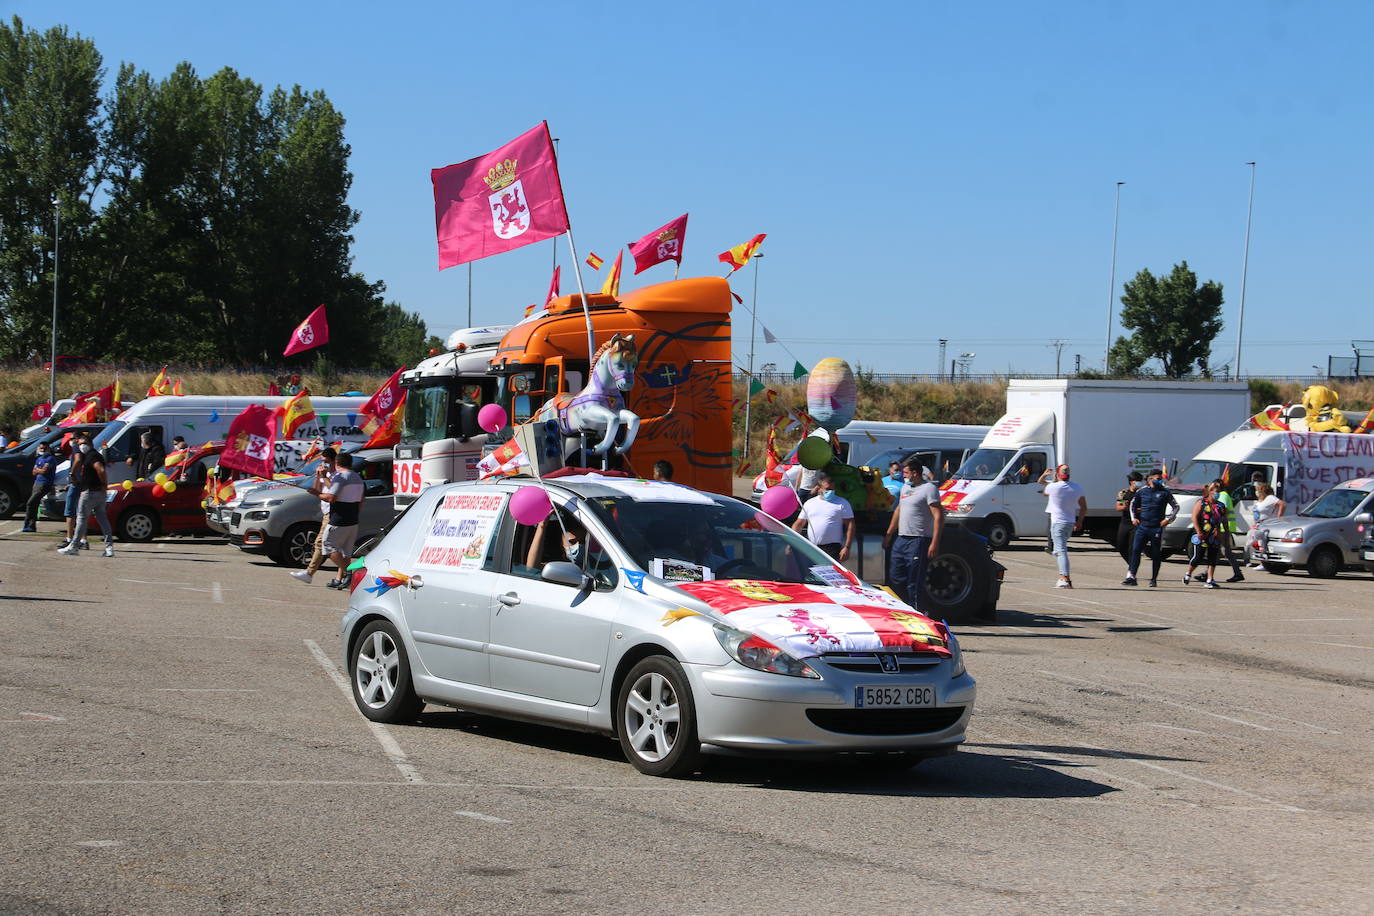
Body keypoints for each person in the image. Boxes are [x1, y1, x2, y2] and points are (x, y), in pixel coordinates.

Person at [883, 456, 943, 611]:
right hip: (901, 539)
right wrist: (889, 534)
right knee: (895, 577)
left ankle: (917, 611)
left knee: (914, 581)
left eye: (906, 473)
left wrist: (934, 542)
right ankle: (902, 609)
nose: (903, 475)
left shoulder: (929, 489)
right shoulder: (905, 488)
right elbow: (899, 510)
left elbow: (938, 516)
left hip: (918, 540)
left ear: (915, 473)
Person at [309, 451, 363, 589]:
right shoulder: (357, 477)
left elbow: (331, 497)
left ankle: (350, 573)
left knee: (328, 547)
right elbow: (362, 499)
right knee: (345, 552)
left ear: (337, 463)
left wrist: (317, 494)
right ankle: (348, 574)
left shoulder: (341, 476)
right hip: (353, 518)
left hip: (339, 518)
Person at [59, 437, 115, 557]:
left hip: (90, 492)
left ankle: (74, 546)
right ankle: (109, 547)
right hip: (99, 493)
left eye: (83, 443)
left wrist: (104, 484)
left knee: (81, 519)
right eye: (79, 444)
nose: (81, 446)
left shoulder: (92, 456)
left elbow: (100, 469)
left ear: (90, 444)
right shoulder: (92, 456)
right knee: (102, 519)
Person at [1123, 469, 1178, 587]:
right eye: (1158, 479)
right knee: (1136, 550)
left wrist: (1168, 519)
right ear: (1150, 479)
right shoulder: (1142, 491)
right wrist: (1134, 518)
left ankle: (1153, 579)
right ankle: (1132, 576)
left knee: (1156, 553)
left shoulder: (1165, 492)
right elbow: (1133, 504)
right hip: (1143, 526)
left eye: (1161, 479)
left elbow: (1176, 507)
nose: (1160, 481)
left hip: (1156, 527)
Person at [290, 448, 337, 584]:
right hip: (326, 512)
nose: (324, 464)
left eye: (326, 461)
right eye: (322, 462)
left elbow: (334, 490)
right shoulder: (326, 474)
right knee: (335, 547)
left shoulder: (337, 475)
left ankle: (309, 573)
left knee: (320, 543)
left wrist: (324, 476)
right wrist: (318, 476)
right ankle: (344, 574)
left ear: (333, 461)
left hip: (333, 512)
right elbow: (317, 490)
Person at [1038, 464, 1086, 588]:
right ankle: (1063, 574)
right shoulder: (1077, 487)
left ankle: (1065, 578)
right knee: (1058, 549)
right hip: (1069, 523)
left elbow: (1042, 487)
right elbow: (1083, 507)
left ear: (1057, 474)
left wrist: (1046, 475)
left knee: (1061, 551)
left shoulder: (1052, 487)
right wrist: (1079, 521)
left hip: (1057, 523)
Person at [792, 473, 855, 561]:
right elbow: (799, 524)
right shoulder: (810, 503)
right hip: (811, 547)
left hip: (832, 548)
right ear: (819, 488)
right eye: (827, 489)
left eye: (833, 489)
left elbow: (850, 525)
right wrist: (792, 542)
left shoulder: (842, 503)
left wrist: (847, 547)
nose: (831, 492)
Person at [1183, 482, 1226, 588]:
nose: (1218, 494)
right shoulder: (1201, 503)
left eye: (1219, 492)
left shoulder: (1220, 506)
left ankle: (1210, 579)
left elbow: (1223, 520)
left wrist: (1222, 532)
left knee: (1213, 557)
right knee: (1198, 557)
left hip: (1214, 535)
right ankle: (1188, 573)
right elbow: (1194, 517)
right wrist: (1199, 531)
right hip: (1201, 534)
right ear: (1210, 492)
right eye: (1216, 491)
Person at [1211, 478, 1245, 583]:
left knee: (1223, 550)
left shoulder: (1223, 496)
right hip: (1224, 526)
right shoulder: (1223, 495)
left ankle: (1237, 573)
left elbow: (1221, 511)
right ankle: (1237, 573)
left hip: (1224, 527)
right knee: (1221, 550)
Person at [60, 432, 89, 551]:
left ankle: (70, 539)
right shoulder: (85, 449)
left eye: (72, 438)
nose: (70, 441)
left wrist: (72, 474)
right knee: (80, 513)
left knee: (70, 512)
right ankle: (83, 540)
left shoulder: (77, 448)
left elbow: (77, 460)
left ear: (77, 439)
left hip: (76, 483)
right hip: (81, 483)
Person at [1247, 482, 1285, 568]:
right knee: (1256, 543)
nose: (1256, 492)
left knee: (1262, 544)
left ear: (1262, 491)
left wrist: (1278, 518)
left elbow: (1282, 504)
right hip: (1258, 525)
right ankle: (1261, 562)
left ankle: (1263, 564)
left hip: (1267, 525)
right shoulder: (1260, 500)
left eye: (1257, 490)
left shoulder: (1270, 498)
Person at [22, 441, 58, 532]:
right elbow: (34, 472)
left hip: (45, 484)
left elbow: (44, 471)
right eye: (41, 448)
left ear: (48, 449)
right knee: (34, 504)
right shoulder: (39, 459)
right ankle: (31, 526)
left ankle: (27, 523)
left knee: (30, 503)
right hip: (37, 483)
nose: (42, 450)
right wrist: (39, 470)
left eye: (44, 448)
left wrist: (38, 470)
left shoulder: (50, 459)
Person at [1114, 471, 1144, 568]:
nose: (1139, 483)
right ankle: (1132, 565)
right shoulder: (1124, 493)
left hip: (1137, 523)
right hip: (1125, 523)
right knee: (1121, 546)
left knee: (1133, 548)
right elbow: (1118, 507)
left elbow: (1145, 508)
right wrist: (1125, 507)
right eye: (1137, 481)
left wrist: (1135, 509)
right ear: (1131, 482)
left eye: (1140, 481)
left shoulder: (1142, 493)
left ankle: (1132, 569)